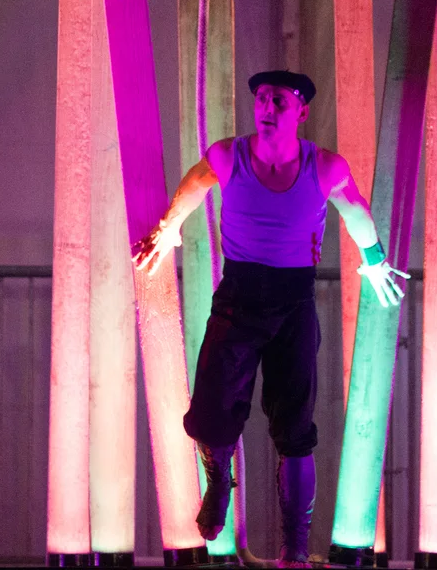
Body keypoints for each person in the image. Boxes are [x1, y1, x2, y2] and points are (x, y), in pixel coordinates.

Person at [133, 70, 407, 568]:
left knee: (295, 428)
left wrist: (374, 259)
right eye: (261, 98)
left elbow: (355, 209)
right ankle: (219, 480)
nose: (267, 108)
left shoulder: (323, 166)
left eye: (279, 100)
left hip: (293, 301)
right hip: (238, 295)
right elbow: (195, 183)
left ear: (301, 111)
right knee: (211, 410)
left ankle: (294, 547)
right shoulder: (229, 156)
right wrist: (168, 227)